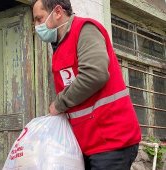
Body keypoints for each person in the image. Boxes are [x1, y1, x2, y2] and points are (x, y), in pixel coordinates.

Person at [32, 0, 141, 169]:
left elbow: (94, 74)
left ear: (58, 12)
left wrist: (59, 104)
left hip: (112, 140)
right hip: (90, 143)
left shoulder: (85, 30)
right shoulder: (60, 46)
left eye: (39, 19)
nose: (36, 26)